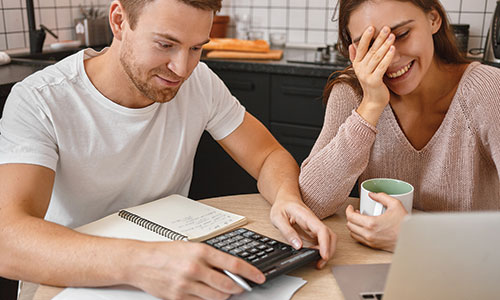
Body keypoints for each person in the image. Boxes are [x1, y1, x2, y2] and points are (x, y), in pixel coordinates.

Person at [0, 0, 336, 299]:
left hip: (174, 273)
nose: (182, 68)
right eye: (165, 44)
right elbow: (7, 240)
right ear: (119, 22)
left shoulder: (200, 82)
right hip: (68, 282)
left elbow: (267, 156)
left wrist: (286, 197)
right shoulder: (40, 99)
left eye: (195, 48)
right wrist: (142, 262)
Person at [299, 0, 500, 252]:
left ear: (433, 19)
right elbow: (312, 203)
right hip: (374, 274)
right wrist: (370, 106)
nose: (390, 57)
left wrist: (417, 236)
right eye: (370, 45)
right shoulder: (352, 93)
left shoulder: (489, 90)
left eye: (402, 34)